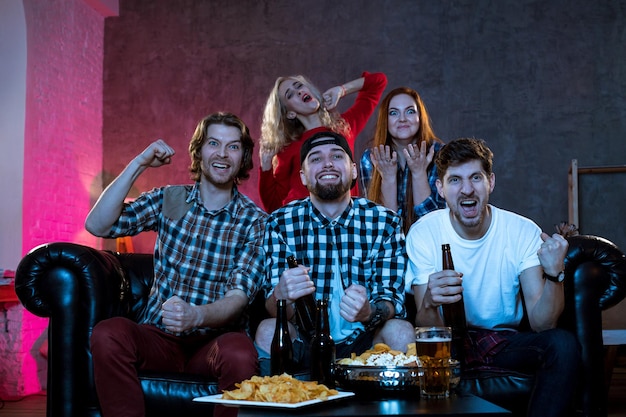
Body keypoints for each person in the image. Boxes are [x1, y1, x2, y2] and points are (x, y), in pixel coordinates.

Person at [84, 112, 268, 417]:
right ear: (199, 151)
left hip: (214, 343)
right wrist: (139, 163)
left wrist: (196, 315)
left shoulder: (255, 222)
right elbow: (98, 225)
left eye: (233, 147)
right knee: (107, 333)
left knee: (241, 353)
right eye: (213, 143)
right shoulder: (171, 199)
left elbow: (239, 296)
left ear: (243, 157)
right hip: (157, 338)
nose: (222, 154)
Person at [406, 138, 580, 417]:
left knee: (562, 343)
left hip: (503, 341)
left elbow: (542, 323)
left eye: (476, 177)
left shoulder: (522, 230)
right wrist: (428, 302)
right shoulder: (424, 232)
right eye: (455, 180)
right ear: (440, 189)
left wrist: (554, 273)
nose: (467, 189)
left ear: (491, 182)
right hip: (451, 342)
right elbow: (427, 328)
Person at [255, 131, 416, 373]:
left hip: (366, 342)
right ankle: (283, 400)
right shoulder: (280, 222)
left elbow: (391, 299)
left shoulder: (385, 222)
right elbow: (276, 310)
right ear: (303, 176)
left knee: (401, 331)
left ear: (353, 170)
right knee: (268, 329)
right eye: (316, 159)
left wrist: (368, 312)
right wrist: (281, 295)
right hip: (305, 341)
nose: (327, 163)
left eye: (336, 156)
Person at [258, 71, 387, 213]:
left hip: (347, 224)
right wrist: (266, 168)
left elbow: (378, 81)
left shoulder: (343, 128)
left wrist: (342, 90)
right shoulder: (288, 150)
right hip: (305, 228)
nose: (299, 91)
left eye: (299, 86)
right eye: (291, 94)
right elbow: (273, 206)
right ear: (290, 113)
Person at [360, 87, 445, 233]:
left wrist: (419, 174)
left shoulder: (440, 154)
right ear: (385, 120)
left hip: (430, 245)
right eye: (393, 113)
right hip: (390, 249)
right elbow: (383, 227)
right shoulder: (371, 158)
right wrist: (388, 178)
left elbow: (433, 224)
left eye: (410, 111)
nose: (402, 119)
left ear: (420, 117)